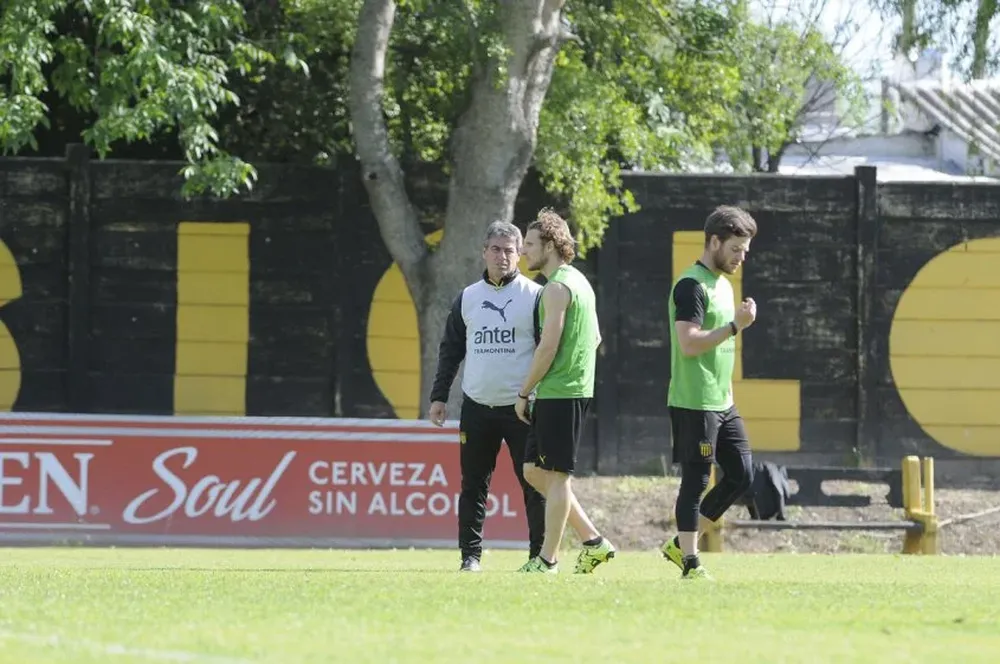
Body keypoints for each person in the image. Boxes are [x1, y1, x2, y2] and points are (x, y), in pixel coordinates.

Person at [428, 220, 547, 572]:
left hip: (521, 408)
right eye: (495, 249)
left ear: (520, 255)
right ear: (484, 252)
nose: (502, 257)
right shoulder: (468, 297)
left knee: (533, 483)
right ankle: (470, 557)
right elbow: (450, 351)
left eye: (509, 250)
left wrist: (537, 398)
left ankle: (538, 556)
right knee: (473, 485)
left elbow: (547, 350)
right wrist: (439, 396)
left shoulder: (535, 296)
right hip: (476, 407)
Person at [514, 208, 615, 575]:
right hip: (565, 391)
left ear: (551, 245)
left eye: (529, 244)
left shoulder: (556, 288)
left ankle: (547, 560)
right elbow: (597, 337)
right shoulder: (579, 281)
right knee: (531, 471)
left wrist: (524, 392)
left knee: (556, 477)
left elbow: (547, 347)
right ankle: (593, 541)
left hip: (561, 393)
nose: (523, 251)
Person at [661, 205, 759, 580]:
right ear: (714, 242)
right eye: (735, 249)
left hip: (723, 401)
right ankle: (690, 562)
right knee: (697, 480)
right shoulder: (691, 285)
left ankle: (681, 542)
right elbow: (688, 343)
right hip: (694, 400)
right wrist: (736, 325)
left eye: (745, 251)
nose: (741, 257)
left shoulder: (722, 283)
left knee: (742, 475)